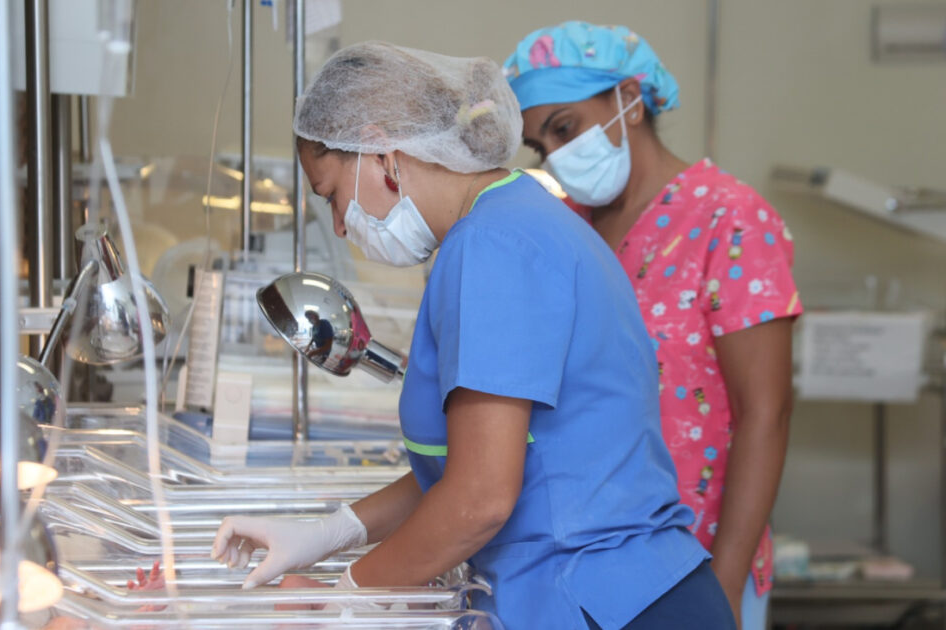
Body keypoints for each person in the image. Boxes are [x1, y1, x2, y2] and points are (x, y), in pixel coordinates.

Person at [208, 41, 734, 630]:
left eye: (331, 195)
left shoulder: (492, 247)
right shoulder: (515, 218)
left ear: (381, 154)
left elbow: (480, 498)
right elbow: (472, 463)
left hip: (607, 601)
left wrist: (345, 597)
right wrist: (331, 533)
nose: (337, 224)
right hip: (626, 589)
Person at [504, 21, 801, 630]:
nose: (556, 154)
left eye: (565, 128)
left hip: (698, 561)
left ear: (630, 101)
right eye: (541, 144)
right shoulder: (569, 226)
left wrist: (724, 586)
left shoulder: (730, 220)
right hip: (583, 562)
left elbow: (765, 414)